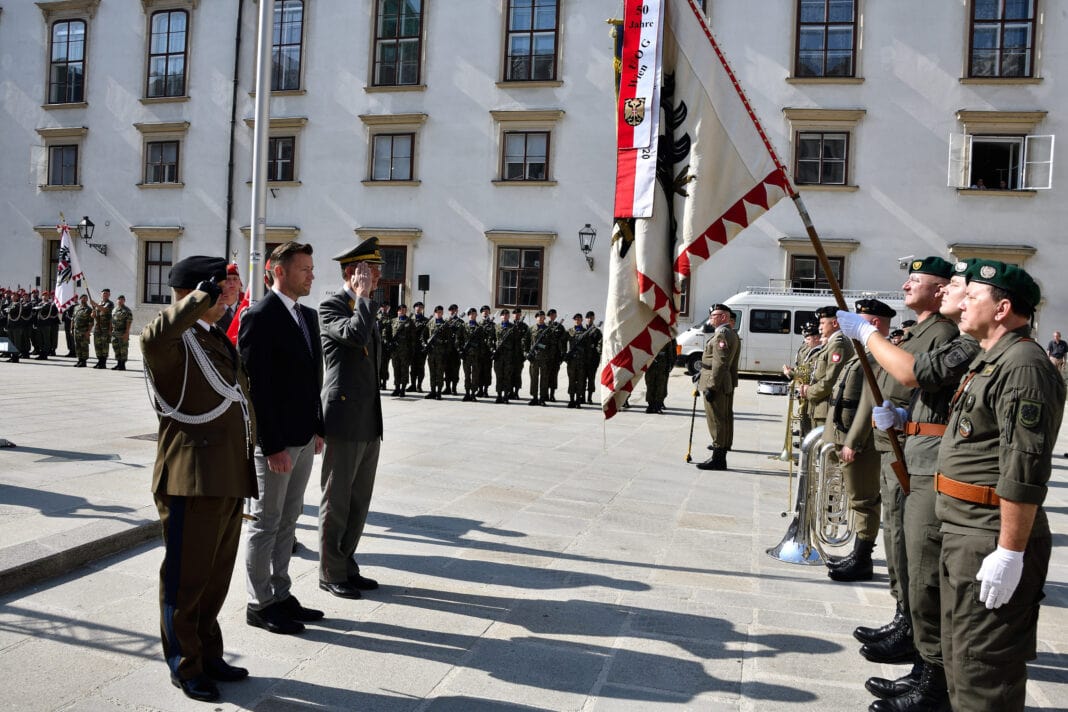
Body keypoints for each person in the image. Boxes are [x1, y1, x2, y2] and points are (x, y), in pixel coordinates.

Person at [838, 259, 981, 710]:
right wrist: (904, 420)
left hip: (936, 466)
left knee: (924, 571)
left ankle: (931, 676)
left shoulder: (959, 340)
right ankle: (922, 659)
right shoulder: (956, 340)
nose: (910, 286)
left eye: (959, 288)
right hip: (913, 449)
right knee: (908, 558)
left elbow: (914, 376)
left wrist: (867, 335)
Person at [937, 260, 1061, 711]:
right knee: (961, 666)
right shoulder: (990, 357)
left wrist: (1009, 552)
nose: (962, 301)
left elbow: (1023, 467)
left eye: (974, 296)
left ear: (1003, 307)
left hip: (989, 534)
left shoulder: (1024, 365)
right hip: (963, 530)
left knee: (984, 676)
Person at [141, 255, 256, 702]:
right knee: (186, 581)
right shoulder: (172, 341)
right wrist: (200, 297)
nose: (229, 295)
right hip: (190, 477)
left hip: (227, 474)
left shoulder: (210, 338)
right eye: (220, 289)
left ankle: (208, 652)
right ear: (196, 292)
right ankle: (185, 666)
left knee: (214, 579)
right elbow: (155, 334)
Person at [852, 257, 958, 671]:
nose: (907, 285)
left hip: (916, 445)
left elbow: (918, 378)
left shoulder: (943, 332)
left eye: (917, 280)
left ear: (940, 288)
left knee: (913, 545)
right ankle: (904, 617)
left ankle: (917, 630)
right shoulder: (917, 330)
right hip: (900, 438)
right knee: (896, 535)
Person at [238, 241, 326, 635]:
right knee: (266, 522)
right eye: (304, 268)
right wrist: (270, 445)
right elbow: (257, 388)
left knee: (290, 520)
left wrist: (318, 426)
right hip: (276, 444)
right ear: (279, 271)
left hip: (304, 437)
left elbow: (312, 378)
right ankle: (259, 602)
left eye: (311, 267)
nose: (311, 274)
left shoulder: (306, 316)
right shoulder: (260, 316)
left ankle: (281, 592)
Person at [317, 237, 386, 600]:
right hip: (343, 418)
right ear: (352, 272)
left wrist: (364, 301)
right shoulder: (332, 306)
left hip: (368, 419)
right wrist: (361, 298)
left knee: (359, 500)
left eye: (376, 271)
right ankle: (330, 571)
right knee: (337, 499)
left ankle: (347, 563)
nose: (377, 277)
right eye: (370, 271)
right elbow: (354, 335)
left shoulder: (364, 306)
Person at [823, 299, 894, 584]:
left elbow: (870, 402)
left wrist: (853, 440)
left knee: (864, 500)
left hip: (861, 442)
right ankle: (857, 553)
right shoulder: (862, 352)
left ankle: (862, 560)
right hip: (845, 435)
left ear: (873, 324)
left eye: (859, 320)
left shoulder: (876, 355)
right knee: (856, 498)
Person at [696, 304, 740, 471]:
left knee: (716, 419)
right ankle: (721, 450)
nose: (710, 318)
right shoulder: (730, 333)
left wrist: (712, 386)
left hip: (717, 382)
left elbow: (720, 362)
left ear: (723, 317)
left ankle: (718, 458)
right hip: (723, 381)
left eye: (714, 315)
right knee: (723, 417)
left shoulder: (722, 334)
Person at [802, 306, 855, 432]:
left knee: (824, 449)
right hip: (820, 406)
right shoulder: (832, 343)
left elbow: (831, 380)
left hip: (826, 407)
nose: (819, 327)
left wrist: (809, 391)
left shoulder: (838, 344)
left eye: (822, 323)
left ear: (835, 323)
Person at [523, 310, 554, 405]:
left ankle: (542, 398)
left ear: (544, 318)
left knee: (544, 378)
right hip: (534, 358)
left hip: (544, 358)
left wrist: (549, 354)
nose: (540, 318)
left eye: (542, 317)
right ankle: (534, 397)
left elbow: (552, 344)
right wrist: (526, 352)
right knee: (534, 378)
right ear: (536, 318)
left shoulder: (548, 329)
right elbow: (526, 341)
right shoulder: (531, 329)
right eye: (539, 317)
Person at [424, 305, 450, 400]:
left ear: (442, 313)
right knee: (432, 373)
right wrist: (425, 345)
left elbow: (449, 340)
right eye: (437, 312)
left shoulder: (446, 325)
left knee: (439, 373)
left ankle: (439, 392)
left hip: (441, 353)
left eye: (440, 312)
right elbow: (424, 336)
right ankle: (432, 391)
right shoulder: (430, 324)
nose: (439, 314)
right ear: (435, 313)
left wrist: (443, 344)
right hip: (431, 353)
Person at [389, 304, 416, 397]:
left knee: (404, 370)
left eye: (404, 310)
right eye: (400, 310)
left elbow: (413, 338)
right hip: (395, 351)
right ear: (398, 311)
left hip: (405, 351)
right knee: (396, 369)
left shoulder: (410, 322)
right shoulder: (393, 321)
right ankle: (397, 388)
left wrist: (412, 350)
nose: (402, 311)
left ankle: (403, 389)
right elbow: (389, 334)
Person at [458, 307, 485, 401]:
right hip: (466, 355)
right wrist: (460, 350)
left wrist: (481, 354)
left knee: (475, 375)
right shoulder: (463, 326)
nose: (472, 316)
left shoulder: (479, 328)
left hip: (476, 355)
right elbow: (459, 339)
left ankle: (473, 393)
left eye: (474, 314)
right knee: (467, 375)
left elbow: (482, 342)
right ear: (468, 315)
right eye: (470, 314)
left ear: (476, 315)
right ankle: (467, 393)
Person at [493, 308, 519, 403]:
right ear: (500, 316)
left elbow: (516, 343)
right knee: (499, 376)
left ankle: (506, 395)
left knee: (507, 376)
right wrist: (492, 349)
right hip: (498, 356)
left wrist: (515, 356)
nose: (504, 316)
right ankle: (499, 395)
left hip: (509, 356)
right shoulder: (497, 327)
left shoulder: (513, 327)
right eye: (503, 315)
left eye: (506, 315)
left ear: (509, 316)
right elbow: (492, 339)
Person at [643, 337, 675, 413]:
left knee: (660, 386)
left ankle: (658, 406)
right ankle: (650, 405)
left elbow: (670, 352)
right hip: (650, 365)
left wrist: (670, 364)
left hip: (662, 366)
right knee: (650, 385)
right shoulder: (649, 335)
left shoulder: (666, 337)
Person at [88, 287, 114, 368]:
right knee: (97, 345)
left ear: (109, 295)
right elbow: (95, 314)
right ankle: (99, 361)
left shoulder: (110, 303)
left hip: (105, 328)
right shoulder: (99, 303)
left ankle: (103, 362)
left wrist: (94, 304)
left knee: (104, 345)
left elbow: (104, 310)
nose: (105, 295)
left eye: (106, 294)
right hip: (98, 328)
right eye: (103, 293)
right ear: (101, 294)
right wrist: (93, 314)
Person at [216, 263, 243, 334]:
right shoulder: (214, 309)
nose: (232, 282)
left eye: (235, 279)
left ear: (240, 284)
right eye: (228, 279)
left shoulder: (244, 308)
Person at [409, 301, 429, 392]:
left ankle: (419, 385)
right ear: (414, 308)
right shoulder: (410, 320)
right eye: (417, 306)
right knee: (413, 368)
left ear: (422, 309)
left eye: (420, 307)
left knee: (421, 367)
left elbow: (428, 334)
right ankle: (412, 385)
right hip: (412, 347)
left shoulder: (426, 320)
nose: (418, 308)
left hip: (421, 348)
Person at [583, 311, 602, 403]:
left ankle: (589, 397)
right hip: (582, 359)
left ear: (594, 318)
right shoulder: (582, 330)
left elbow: (600, 344)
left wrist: (598, 354)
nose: (589, 319)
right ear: (585, 319)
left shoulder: (597, 331)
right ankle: (582, 396)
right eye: (588, 317)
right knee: (581, 379)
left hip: (592, 360)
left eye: (591, 317)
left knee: (591, 379)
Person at [109, 294, 133, 370]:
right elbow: (111, 320)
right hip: (114, 333)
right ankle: (118, 363)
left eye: (122, 300)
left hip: (123, 333)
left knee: (123, 349)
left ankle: (122, 365)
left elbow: (129, 322)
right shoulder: (114, 310)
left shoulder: (127, 310)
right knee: (116, 348)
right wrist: (110, 329)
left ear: (124, 301)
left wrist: (127, 333)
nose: (120, 301)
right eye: (119, 299)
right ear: (117, 301)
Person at [445, 304, 464, 395]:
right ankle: (447, 387)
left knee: (455, 370)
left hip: (456, 350)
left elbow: (462, 336)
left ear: (457, 310)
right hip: (447, 350)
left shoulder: (460, 322)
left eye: (454, 310)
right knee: (447, 369)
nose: (452, 311)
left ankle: (454, 388)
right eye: (450, 310)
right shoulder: (446, 322)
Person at [477, 306, 495, 397]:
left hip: (488, 352)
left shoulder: (492, 324)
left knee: (487, 371)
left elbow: (494, 338)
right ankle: (479, 389)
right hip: (479, 352)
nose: (485, 312)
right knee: (479, 371)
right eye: (483, 311)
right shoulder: (478, 324)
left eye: (487, 311)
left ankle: (485, 390)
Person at [72, 293, 94, 367]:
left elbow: (91, 322)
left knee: (84, 346)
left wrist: (88, 332)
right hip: (76, 330)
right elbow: (73, 318)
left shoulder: (89, 309)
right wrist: (71, 329)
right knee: (77, 346)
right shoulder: (76, 308)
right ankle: (79, 360)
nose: (84, 299)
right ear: (80, 299)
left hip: (84, 331)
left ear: (87, 300)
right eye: (82, 298)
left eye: (85, 298)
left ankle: (84, 362)